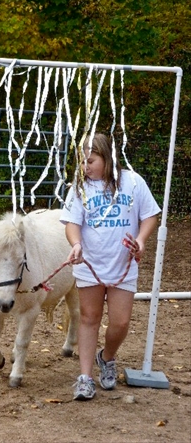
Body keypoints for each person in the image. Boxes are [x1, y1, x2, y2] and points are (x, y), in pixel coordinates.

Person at [60, 133, 161, 401]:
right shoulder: (80, 186)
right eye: (82, 162)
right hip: (90, 263)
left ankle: (106, 356)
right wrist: (76, 243)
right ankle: (84, 378)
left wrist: (140, 240)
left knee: (121, 322)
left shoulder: (133, 181)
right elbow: (72, 222)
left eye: (90, 161)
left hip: (123, 265)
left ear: (107, 158)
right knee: (89, 318)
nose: (85, 167)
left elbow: (150, 215)